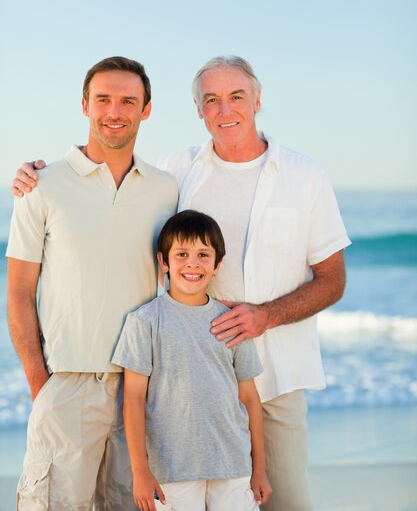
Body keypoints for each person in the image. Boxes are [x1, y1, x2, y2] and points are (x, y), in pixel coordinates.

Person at [12, 55, 351, 511]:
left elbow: (332, 279)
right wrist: (33, 174)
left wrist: (265, 316)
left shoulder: (297, 177)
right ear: (198, 109)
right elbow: (26, 283)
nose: (224, 109)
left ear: (257, 100)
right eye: (211, 99)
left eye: (235, 97)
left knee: (286, 503)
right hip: (163, 384)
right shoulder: (174, 173)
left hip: (272, 376)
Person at [6, 56, 178, 510]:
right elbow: (19, 291)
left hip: (142, 388)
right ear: (85, 105)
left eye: (128, 101)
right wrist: (41, 385)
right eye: (103, 99)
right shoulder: (41, 185)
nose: (114, 111)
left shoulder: (167, 190)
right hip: (67, 385)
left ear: (147, 109)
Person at [112, 209, 272, 511]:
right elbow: (133, 398)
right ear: (164, 262)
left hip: (233, 465)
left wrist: (259, 469)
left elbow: (250, 398)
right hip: (172, 469)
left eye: (203, 255)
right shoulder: (145, 321)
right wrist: (140, 472)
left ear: (217, 264)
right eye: (182, 254)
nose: (192, 264)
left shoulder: (230, 322)